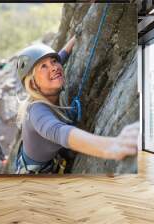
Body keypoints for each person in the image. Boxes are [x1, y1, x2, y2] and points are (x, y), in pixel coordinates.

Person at [15, 36, 139, 174]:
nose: (54, 67)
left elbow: (61, 56)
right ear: (33, 83)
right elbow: (60, 132)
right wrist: (113, 146)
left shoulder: (50, 78)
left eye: (54, 61)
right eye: (43, 66)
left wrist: (77, 36)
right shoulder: (36, 111)